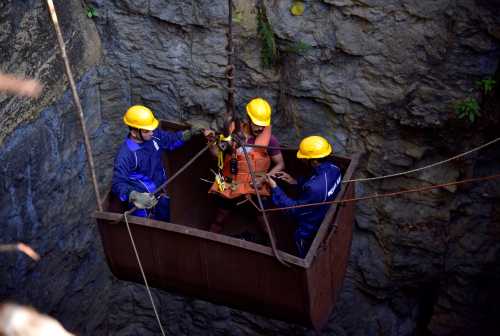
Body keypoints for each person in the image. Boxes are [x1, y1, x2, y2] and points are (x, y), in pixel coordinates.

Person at [112, 105, 211, 222]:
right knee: (147, 229)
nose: (151, 132)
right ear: (134, 132)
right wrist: (133, 196)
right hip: (141, 205)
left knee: (164, 219)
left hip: (160, 193)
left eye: (152, 129)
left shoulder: (153, 137)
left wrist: (188, 134)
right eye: (146, 130)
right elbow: (118, 183)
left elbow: (170, 140)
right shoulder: (126, 155)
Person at [208, 97, 285, 233]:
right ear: (248, 119)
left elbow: (280, 164)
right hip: (231, 183)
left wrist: (264, 178)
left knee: (264, 220)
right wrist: (211, 142)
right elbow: (216, 155)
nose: (260, 128)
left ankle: (271, 242)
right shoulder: (232, 134)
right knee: (220, 216)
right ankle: (211, 238)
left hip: (255, 185)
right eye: (256, 124)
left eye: (263, 125)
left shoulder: (270, 140)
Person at [265, 135, 342, 258]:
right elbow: (319, 183)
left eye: (304, 158)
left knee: (299, 236)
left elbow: (292, 210)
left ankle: (301, 257)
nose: (302, 160)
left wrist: (275, 188)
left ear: (314, 161)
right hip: (325, 208)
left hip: (312, 223)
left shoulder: (314, 189)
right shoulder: (335, 169)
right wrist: (295, 182)